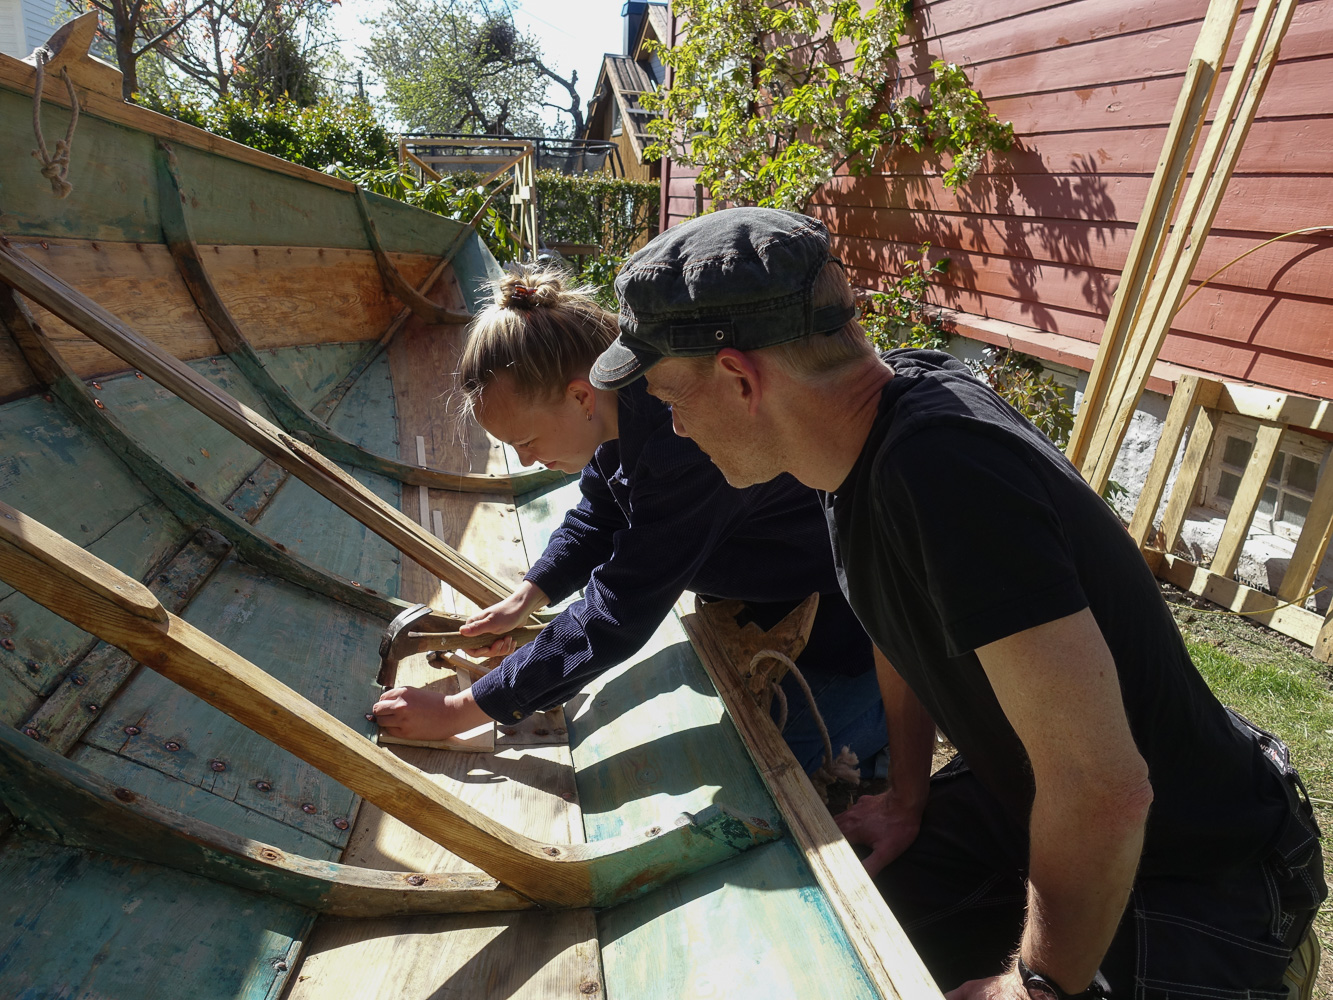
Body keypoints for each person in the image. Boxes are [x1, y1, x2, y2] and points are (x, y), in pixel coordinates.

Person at [588, 206, 1326, 999]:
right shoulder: (849, 437)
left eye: (671, 396)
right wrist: (904, 797)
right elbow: (895, 631)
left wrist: (1034, 987)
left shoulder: (942, 471)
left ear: (739, 379)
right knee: (828, 935)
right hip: (1036, 806)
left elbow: (1103, 788)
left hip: (1194, 868)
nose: (673, 425)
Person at [371, 265, 887, 780]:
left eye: (525, 442)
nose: (525, 462)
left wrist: (460, 711)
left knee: (768, 770)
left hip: (847, 627)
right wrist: (529, 595)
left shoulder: (684, 441)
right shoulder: (622, 399)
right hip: (756, 594)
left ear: (579, 397)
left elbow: (617, 612)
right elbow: (599, 513)